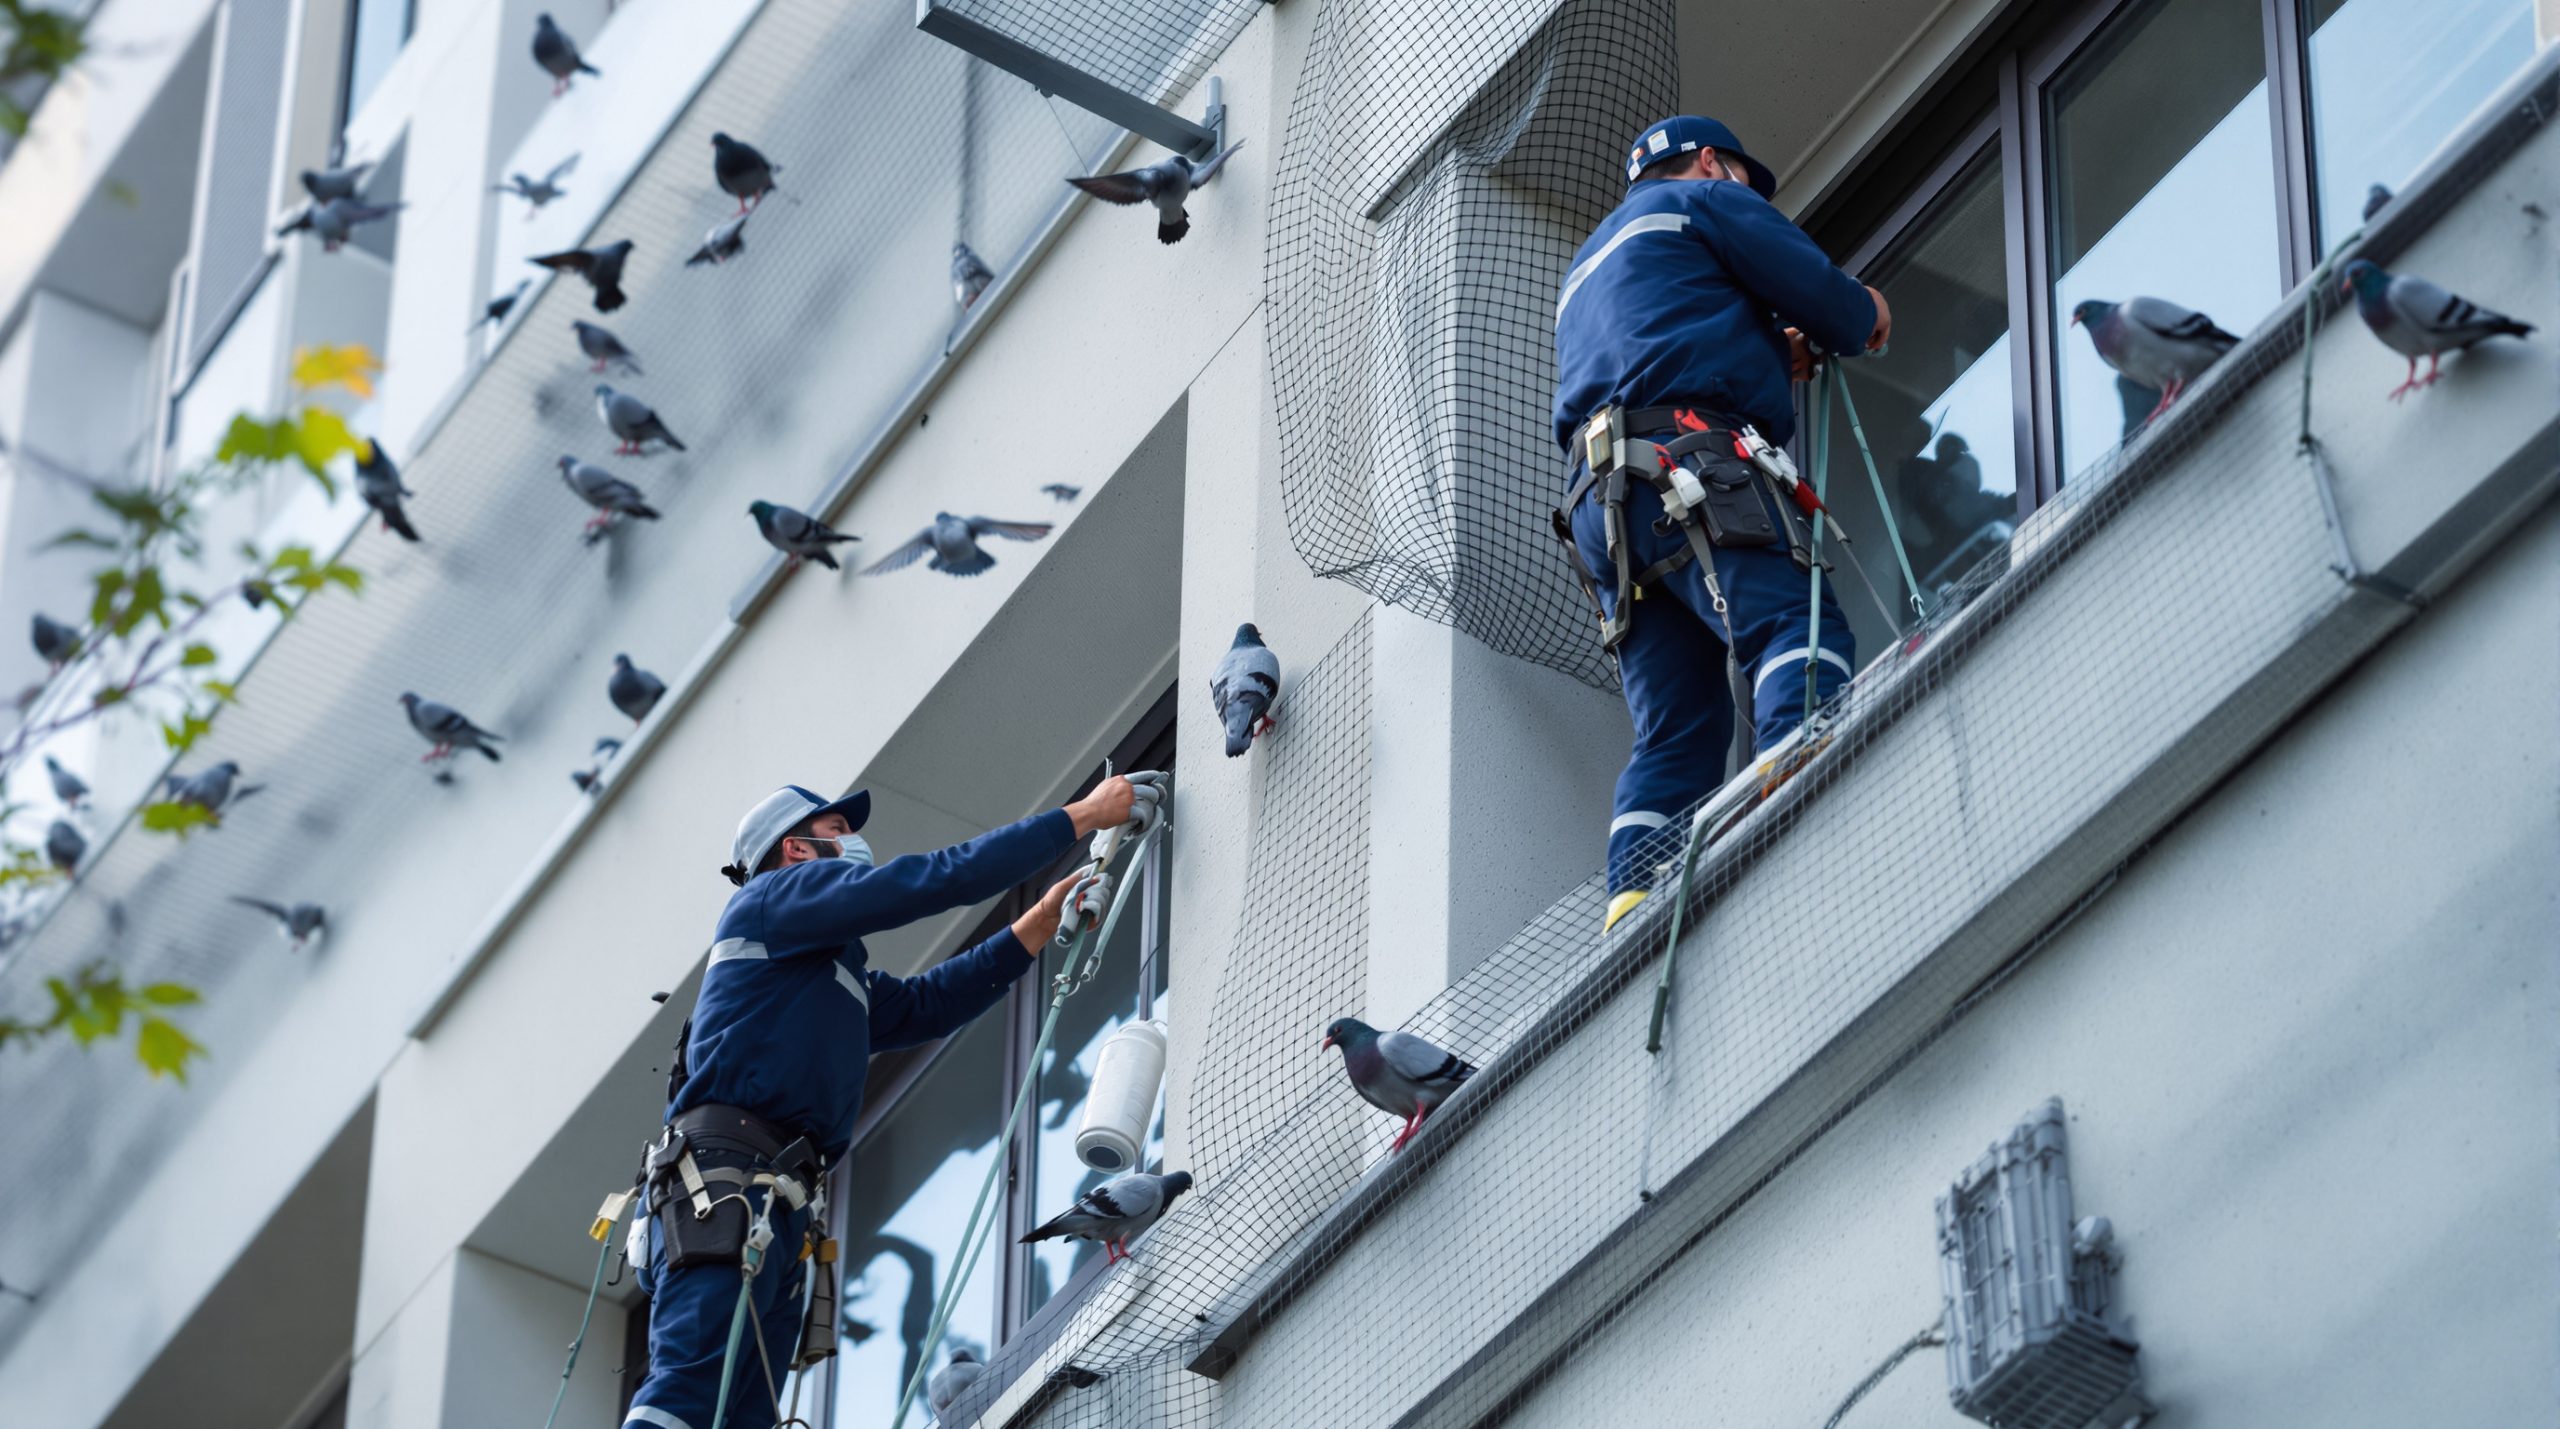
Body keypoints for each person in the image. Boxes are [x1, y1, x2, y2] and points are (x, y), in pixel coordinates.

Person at [623, 771, 1164, 1429]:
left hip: (766, 1200)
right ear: (795, 850)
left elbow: (929, 1004)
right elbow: (929, 880)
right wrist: (1081, 816)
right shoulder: (771, 901)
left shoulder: (818, 968)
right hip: (728, 1188)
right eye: (836, 830)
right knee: (687, 1386)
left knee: (736, 1414)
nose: (854, 841)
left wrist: (1041, 920)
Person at [1551, 115, 1890, 931]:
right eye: (1737, 174)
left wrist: (1770, 355)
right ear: (1709, 162)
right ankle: (1797, 754)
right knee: (1791, 620)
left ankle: (1633, 890)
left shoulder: (1586, 268)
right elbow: (1832, 304)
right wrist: (1866, 312)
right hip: (1691, 464)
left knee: (1678, 722)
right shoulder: (1705, 201)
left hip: (1604, 509)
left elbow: (1658, 339)